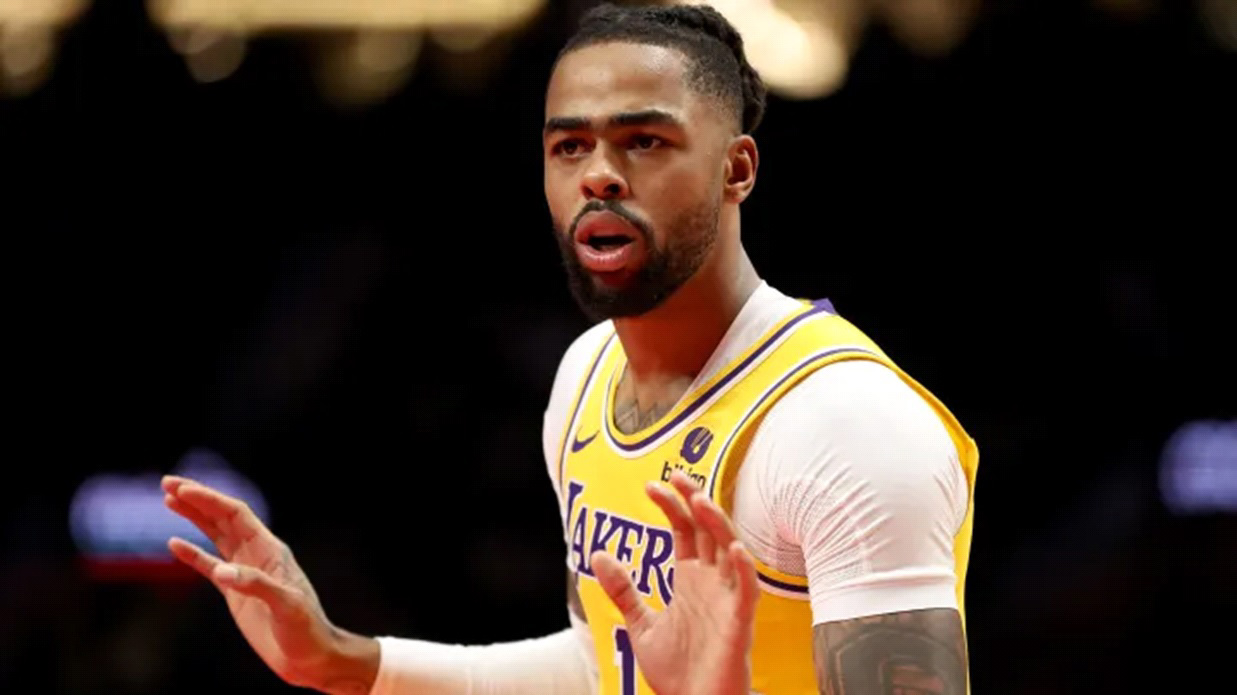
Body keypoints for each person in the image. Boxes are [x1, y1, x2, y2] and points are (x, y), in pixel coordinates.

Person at [162, 4, 979, 694]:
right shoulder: (587, 374)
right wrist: (345, 660)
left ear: (736, 169)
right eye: (569, 147)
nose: (599, 176)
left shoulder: (845, 426)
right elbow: (601, 661)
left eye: (643, 141)